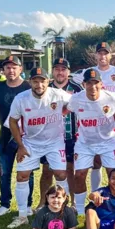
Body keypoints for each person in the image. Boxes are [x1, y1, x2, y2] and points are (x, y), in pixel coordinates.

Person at [6, 67, 73, 229]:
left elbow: (76, 102)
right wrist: (20, 146)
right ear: (30, 82)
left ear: (48, 81)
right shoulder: (21, 98)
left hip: (54, 142)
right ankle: (22, 215)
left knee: (61, 173)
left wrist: (65, 110)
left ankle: (63, 212)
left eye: (42, 81)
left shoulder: (58, 94)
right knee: (22, 176)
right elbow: (13, 121)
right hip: (30, 143)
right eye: (35, 81)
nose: (39, 85)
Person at [68, 68, 115, 217]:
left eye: (96, 83)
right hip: (85, 143)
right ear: (84, 84)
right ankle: (80, 211)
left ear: (101, 83)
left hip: (108, 142)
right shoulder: (75, 99)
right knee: (79, 175)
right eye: (89, 83)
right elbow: (64, 110)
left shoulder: (112, 98)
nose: (93, 87)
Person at [0, 55, 34, 217]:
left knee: (27, 172)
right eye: (8, 67)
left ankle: (28, 204)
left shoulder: (29, 86)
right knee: (4, 171)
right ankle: (4, 204)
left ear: (20, 69)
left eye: (14, 67)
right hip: (5, 136)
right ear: (3, 70)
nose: (11, 70)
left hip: (26, 136)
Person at [40, 58, 82, 208]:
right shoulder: (45, 86)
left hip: (70, 136)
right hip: (49, 137)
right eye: (57, 69)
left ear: (68, 72)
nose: (60, 72)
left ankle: (71, 201)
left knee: (69, 169)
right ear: (53, 71)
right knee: (47, 170)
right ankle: (42, 202)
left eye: (63, 69)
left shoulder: (76, 88)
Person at [88, 41, 115, 189]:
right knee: (96, 161)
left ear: (110, 55)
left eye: (105, 53)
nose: (102, 56)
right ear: (95, 55)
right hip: (94, 125)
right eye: (99, 53)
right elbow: (69, 79)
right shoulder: (89, 72)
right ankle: (96, 195)